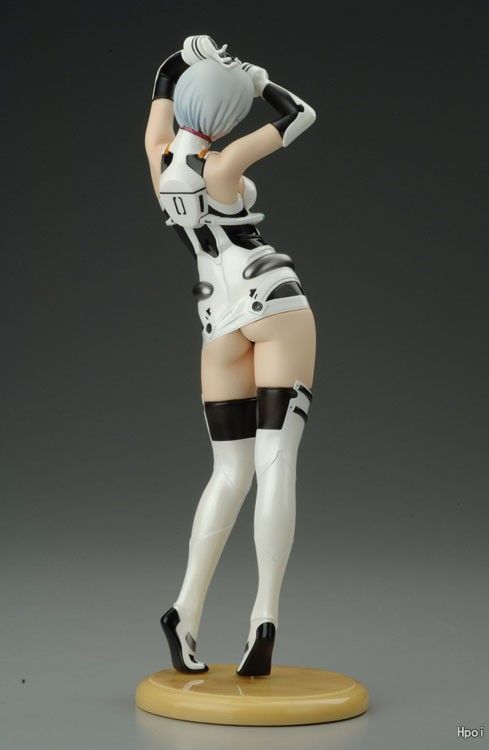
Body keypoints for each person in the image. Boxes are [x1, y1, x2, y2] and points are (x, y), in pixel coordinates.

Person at [144, 35, 317, 677]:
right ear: (226, 116)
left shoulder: (162, 161)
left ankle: (185, 610)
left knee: (227, 471)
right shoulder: (223, 166)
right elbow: (302, 115)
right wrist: (259, 80)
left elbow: (162, 90)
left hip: (216, 324)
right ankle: (263, 619)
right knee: (276, 462)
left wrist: (183, 61)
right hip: (273, 305)